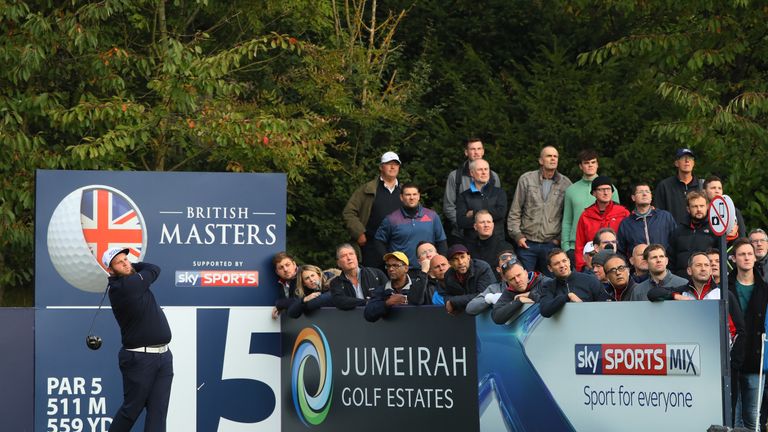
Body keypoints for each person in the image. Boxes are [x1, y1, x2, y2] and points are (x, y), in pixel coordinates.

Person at [102, 247, 173, 432]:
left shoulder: (132, 281)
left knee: (158, 412)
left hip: (163, 356)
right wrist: (135, 265)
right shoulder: (126, 286)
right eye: (119, 263)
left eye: (126, 259)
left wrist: (130, 265)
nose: (126, 264)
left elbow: (149, 269)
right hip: (140, 359)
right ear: (110, 270)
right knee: (131, 410)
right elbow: (154, 269)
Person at [506, 146, 572, 275]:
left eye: (555, 156)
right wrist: (517, 236)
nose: (553, 159)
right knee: (524, 279)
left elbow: (568, 216)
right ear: (541, 160)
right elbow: (515, 210)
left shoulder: (566, 184)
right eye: (549, 156)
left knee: (551, 281)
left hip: (551, 244)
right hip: (527, 243)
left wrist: (559, 239)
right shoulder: (526, 179)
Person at [727, 239, 768, 430]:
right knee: (733, 417)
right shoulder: (725, 288)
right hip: (731, 358)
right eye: (742, 254)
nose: (746, 257)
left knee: (752, 417)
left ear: (755, 258)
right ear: (734, 258)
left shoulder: (765, 289)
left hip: (755, 358)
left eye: (750, 254)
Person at [342, 151, 402, 268]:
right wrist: (359, 233)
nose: (392, 167)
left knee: (398, 277)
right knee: (373, 277)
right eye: (388, 163)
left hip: (398, 246)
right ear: (381, 167)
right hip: (371, 246)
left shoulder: (405, 191)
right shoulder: (367, 189)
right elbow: (349, 212)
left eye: (396, 164)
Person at [561, 150, 619, 262]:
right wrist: (566, 247)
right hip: (576, 247)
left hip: (605, 246)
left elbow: (618, 216)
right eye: (586, 163)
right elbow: (567, 221)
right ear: (580, 166)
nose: (590, 165)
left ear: (597, 165)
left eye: (593, 162)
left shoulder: (610, 189)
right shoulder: (571, 190)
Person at [443, 138, 501, 245]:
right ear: (466, 152)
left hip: (488, 235)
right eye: (472, 149)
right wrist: (465, 224)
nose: (476, 152)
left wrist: (483, 225)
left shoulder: (493, 177)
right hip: (462, 235)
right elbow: (448, 207)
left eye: (479, 149)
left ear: (483, 151)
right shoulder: (455, 176)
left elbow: (497, 207)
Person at [374, 183, 448, 267]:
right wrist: (389, 262)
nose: (412, 198)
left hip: (429, 268)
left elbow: (441, 242)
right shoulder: (391, 219)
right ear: (401, 197)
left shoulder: (432, 216)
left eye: (414, 194)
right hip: (401, 269)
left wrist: (441, 263)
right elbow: (379, 241)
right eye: (408, 195)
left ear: (419, 196)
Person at [574, 176, 629, 271]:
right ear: (594, 193)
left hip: (618, 264)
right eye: (601, 189)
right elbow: (579, 245)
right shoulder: (586, 215)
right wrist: (582, 267)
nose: (606, 192)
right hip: (593, 266)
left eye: (608, 189)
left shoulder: (623, 213)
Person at [539, 249, 609, 317]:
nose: (562, 265)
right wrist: (567, 297)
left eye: (564, 261)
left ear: (569, 261)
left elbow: (605, 308)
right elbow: (545, 310)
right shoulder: (549, 286)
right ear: (550, 268)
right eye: (557, 263)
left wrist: (583, 307)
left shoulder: (590, 280)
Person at [364, 252, 429, 322]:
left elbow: (417, 300)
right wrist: (387, 303)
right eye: (388, 266)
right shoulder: (382, 290)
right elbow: (368, 314)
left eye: (395, 265)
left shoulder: (417, 285)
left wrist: (423, 272)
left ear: (406, 268)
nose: (391, 269)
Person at [617, 182, 677, 258]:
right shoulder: (626, 224)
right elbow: (620, 251)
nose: (644, 194)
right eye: (640, 192)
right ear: (633, 197)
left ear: (651, 197)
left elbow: (676, 242)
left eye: (647, 192)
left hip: (663, 263)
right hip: (638, 265)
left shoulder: (665, 217)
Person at [667, 190, 717, 277]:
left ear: (707, 206)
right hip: (681, 280)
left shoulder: (714, 230)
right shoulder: (678, 231)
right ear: (688, 209)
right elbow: (670, 259)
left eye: (701, 206)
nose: (699, 209)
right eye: (695, 206)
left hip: (706, 279)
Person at [455, 159, 507, 240]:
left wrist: (474, 212)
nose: (484, 172)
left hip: (497, 241)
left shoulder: (499, 193)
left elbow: (500, 214)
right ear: (472, 173)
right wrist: (490, 216)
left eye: (486, 169)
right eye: (480, 169)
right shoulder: (464, 196)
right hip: (472, 242)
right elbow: (461, 222)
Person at [440, 244, 496, 314]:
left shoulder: (482, 268)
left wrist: (454, 301)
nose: (460, 262)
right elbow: (447, 295)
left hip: (488, 311)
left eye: (462, 257)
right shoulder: (448, 274)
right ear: (450, 263)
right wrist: (448, 302)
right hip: (463, 314)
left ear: (469, 257)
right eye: (455, 259)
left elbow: (483, 296)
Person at [492, 259, 551, 324]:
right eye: (512, 279)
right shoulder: (509, 292)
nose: (517, 280)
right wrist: (519, 301)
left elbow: (555, 298)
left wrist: (529, 295)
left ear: (525, 273)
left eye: (519, 275)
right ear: (507, 282)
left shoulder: (544, 281)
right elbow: (496, 317)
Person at [653, 148, 703, 225]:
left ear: (693, 163)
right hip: (672, 232)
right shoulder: (664, 186)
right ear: (676, 163)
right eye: (683, 158)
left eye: (690, 158)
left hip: (697, 231)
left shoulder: (701, 186)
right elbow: (659, 216)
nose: (687, 161)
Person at [330, 244, 387, 310]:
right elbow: (340, 301)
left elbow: (389, 293)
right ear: (338, 263)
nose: (349, 258)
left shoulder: (376, 274)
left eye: (351, 254)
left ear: (356, 257)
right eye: (344, 256)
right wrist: (366, 302)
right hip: (353, 316)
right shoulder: (336, 282)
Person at [465, 210, 515, 278]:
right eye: (482, 222)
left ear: (493, 225)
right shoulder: (468, 248)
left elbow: (510, 273)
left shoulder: (505, 247)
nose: (486, 225)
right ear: (475, 226)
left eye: (488, 222)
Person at [271, 251, 299, 319]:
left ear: (294, 264)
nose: (285, 269)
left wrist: (279, 304)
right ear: (277, 272)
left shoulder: (304, 275)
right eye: (281, 268)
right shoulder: (281, 283)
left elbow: (300, 300)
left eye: (287, 265)